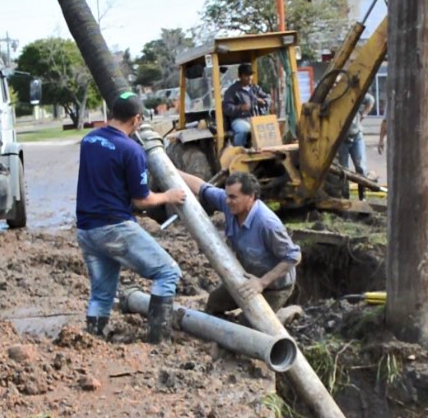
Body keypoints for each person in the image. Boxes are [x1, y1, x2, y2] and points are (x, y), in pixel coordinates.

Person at [75, 92, 187, 342]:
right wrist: (168, 196)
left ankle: (94, 339)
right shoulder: (132, 150)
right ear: (137, 119)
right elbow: (142, 200)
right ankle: (159, 339)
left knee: (102, 294)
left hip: (86, 230)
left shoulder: (89, 140)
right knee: (167, 272)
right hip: (114, 227)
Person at [177, 170, 301, 314]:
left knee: (250, 326)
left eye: (233, 197)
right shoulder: (230, 205)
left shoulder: (267, 224)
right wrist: (170, 168)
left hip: (275, 286)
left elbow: (294, 257)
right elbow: (202, 187)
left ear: (250, 197)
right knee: (214, 303)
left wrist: (262, 283)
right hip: (248, 278)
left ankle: (285, 315)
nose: (227, 201)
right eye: (227, 195)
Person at [222, 64, 270, 148]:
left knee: (270, 127)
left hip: (256, 119)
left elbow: (268, 98)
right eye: (246, 75)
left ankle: (266, 150)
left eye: (251, 75)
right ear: (240, 76)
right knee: (243, 130)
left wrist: (264, 102)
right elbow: (227, 108)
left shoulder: (255, 88)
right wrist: (240, 108)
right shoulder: (232, 91)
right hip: (239, 119)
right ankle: (238, 150)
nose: (250, 78)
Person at [338, 92, 374, 177]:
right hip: (341, 139)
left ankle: (362, 189)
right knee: (343, 170)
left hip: (356, 135)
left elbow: (371, 100)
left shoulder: (353, 93)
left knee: (361, 167)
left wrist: (363, 115)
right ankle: (345, 190)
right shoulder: (333, 98)